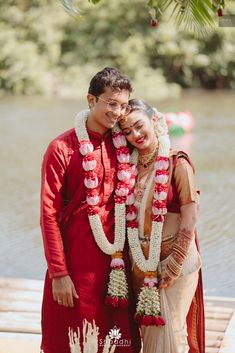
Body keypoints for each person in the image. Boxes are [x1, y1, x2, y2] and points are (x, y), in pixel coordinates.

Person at [40, 67, 141, 353]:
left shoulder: (125, 143)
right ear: (90, 100)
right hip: (77, 263)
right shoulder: (62, 148)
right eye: (111, 103)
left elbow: (155, 158)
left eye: (123, 105)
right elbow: (48, 214)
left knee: (119, 342)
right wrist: (59, 273)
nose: (117, 112)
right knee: (72, 341)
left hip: (117, 266)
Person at [119, 99, 205, 353]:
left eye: (139, 126)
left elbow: (190, 213)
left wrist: (175, 261)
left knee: (171, 332)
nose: (135, 135)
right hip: (142, 265)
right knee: (148, 334)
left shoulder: (177, 162)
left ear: (154, 121)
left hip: (176, 263)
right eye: (127, 132)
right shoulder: (128, 167)